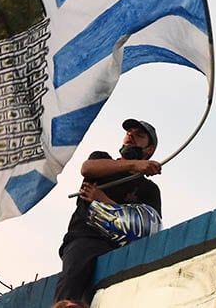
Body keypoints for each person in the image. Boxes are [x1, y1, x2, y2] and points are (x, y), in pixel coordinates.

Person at [53, 118, 162, 304]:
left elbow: (148, 227)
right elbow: (87, 168)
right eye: (129, 133)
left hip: (122, 249)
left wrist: (104, 201)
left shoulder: (149, 189)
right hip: (85, 238)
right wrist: (133, 165)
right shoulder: (103, 160)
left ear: (150, 150)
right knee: (72, 282)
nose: (131, 136)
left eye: (139, 135)